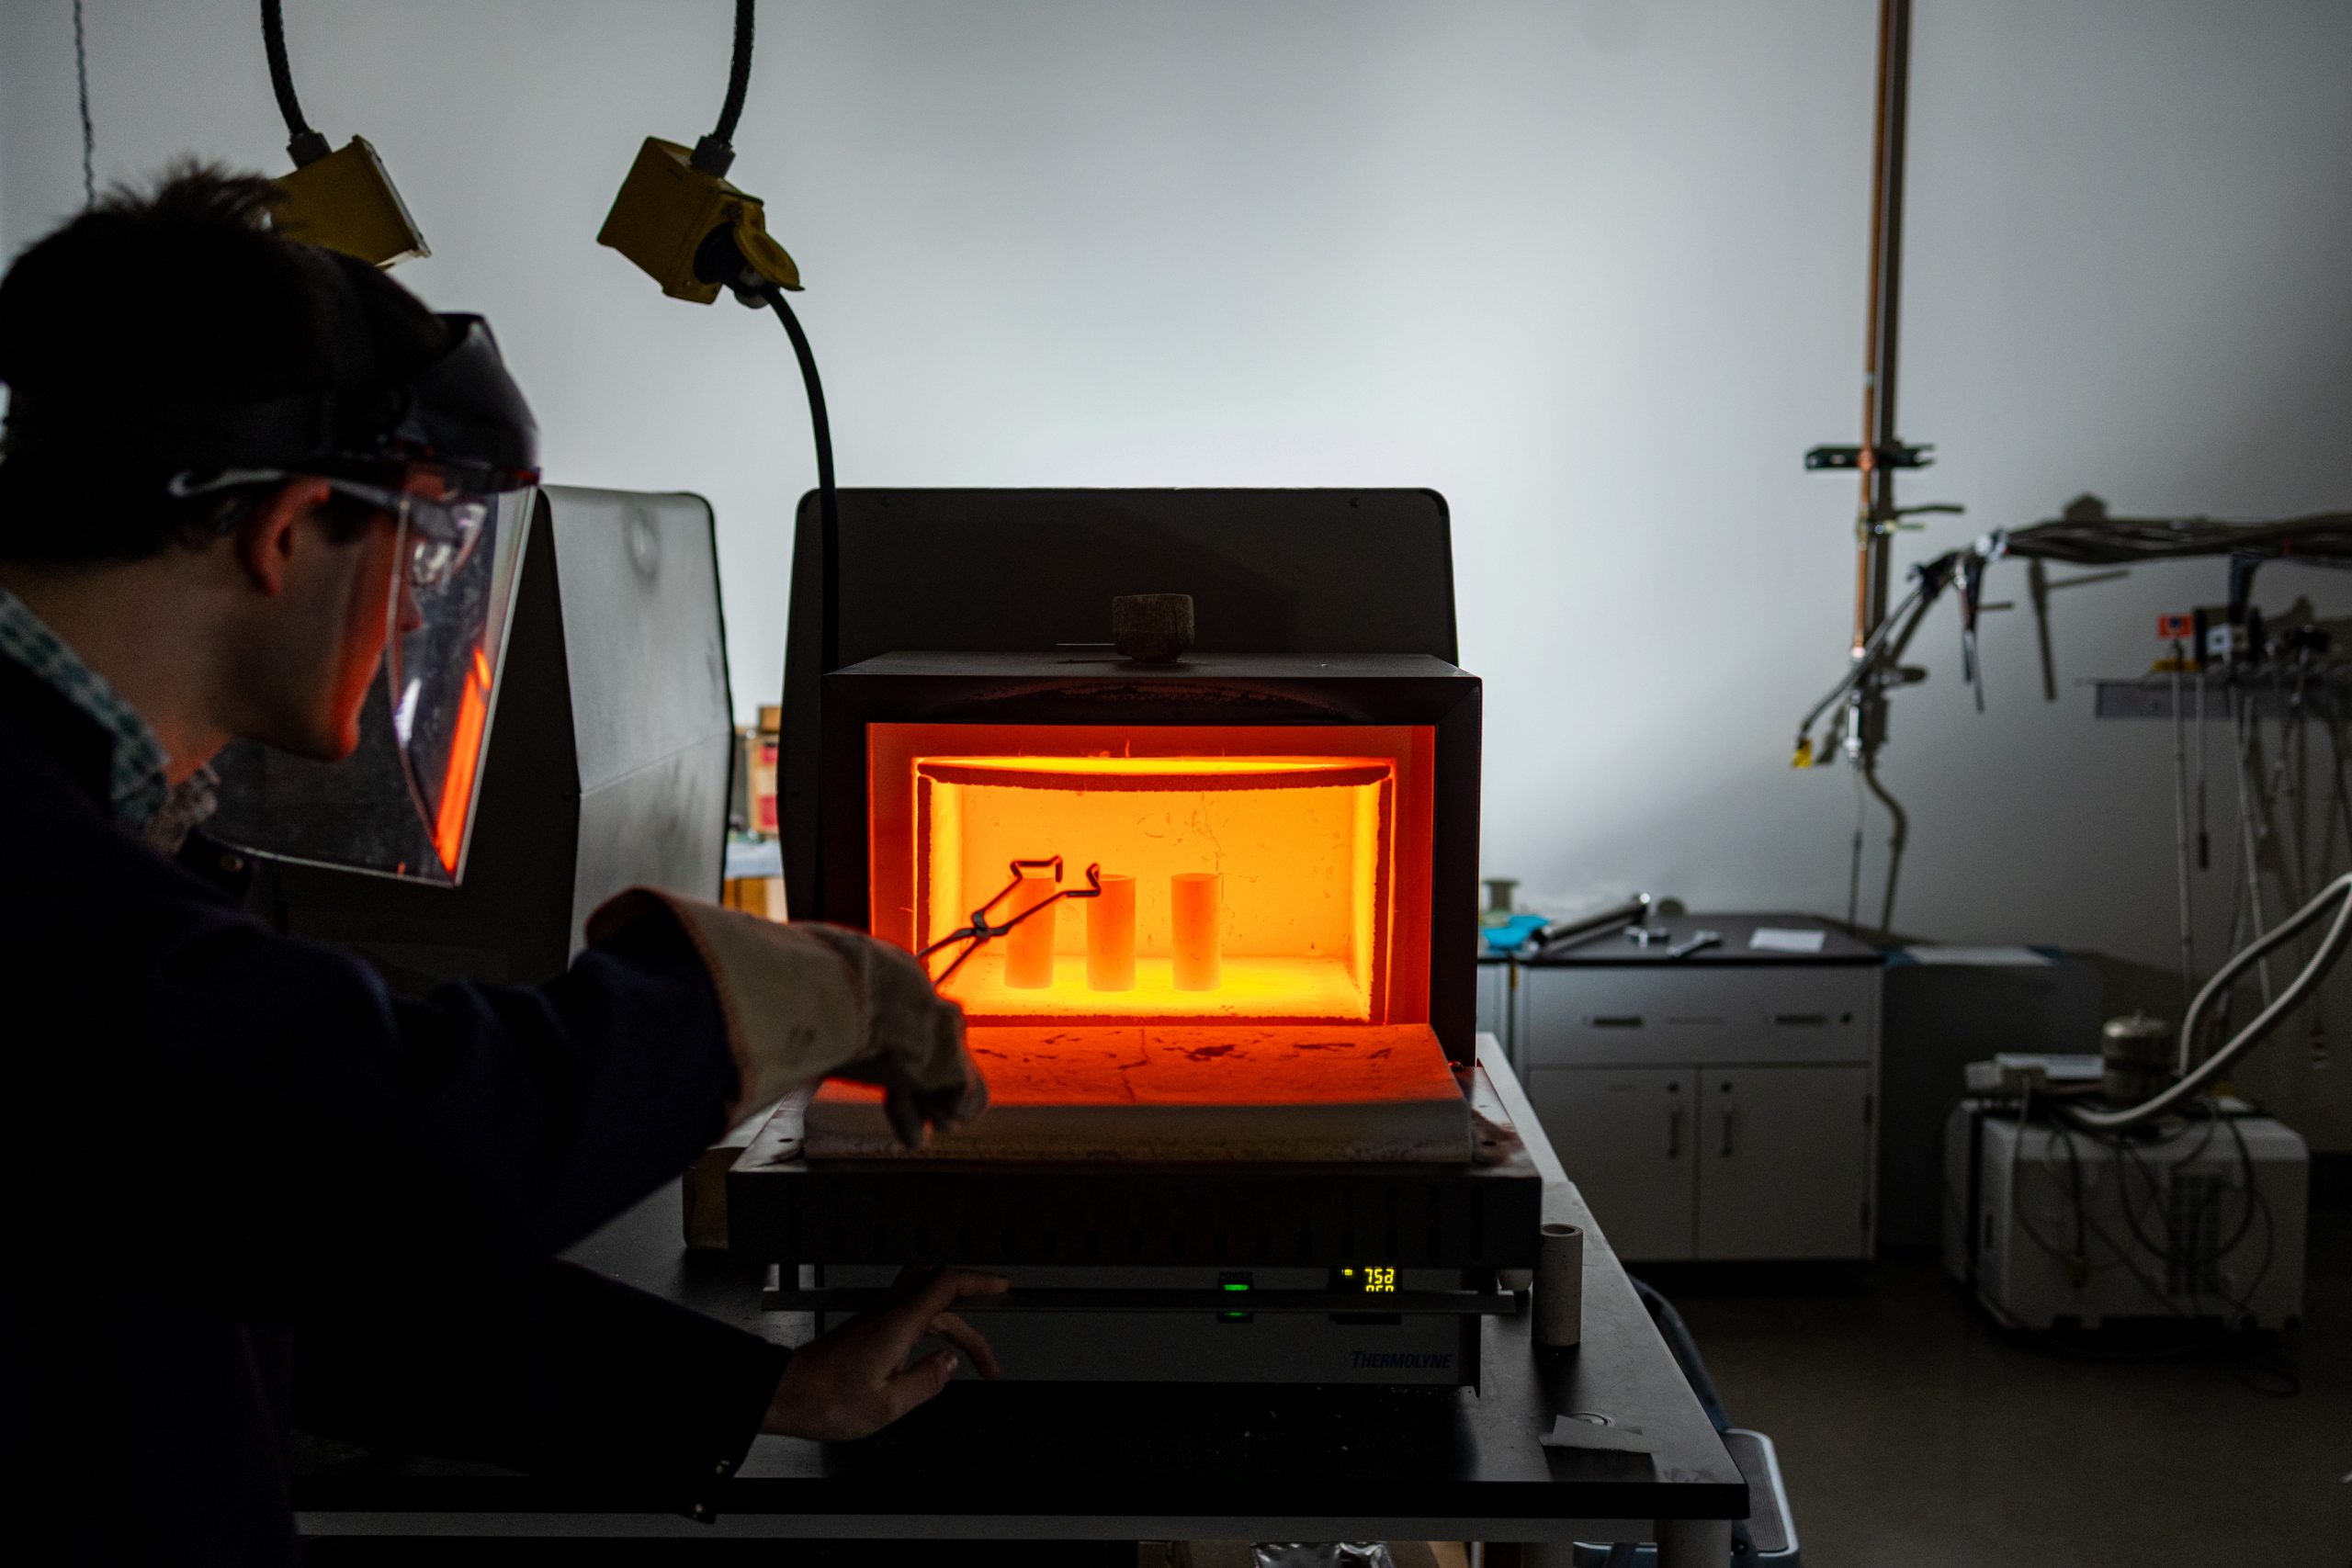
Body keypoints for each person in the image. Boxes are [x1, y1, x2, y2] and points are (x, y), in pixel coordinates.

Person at [0, 165, 1001, 1565]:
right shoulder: (22, 866)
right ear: (287, 532)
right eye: (418, 546)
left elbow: (282, 1234)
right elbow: (434, 1142)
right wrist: (805, 987)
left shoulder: (73, 818)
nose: (421, 605)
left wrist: (759, 1389)